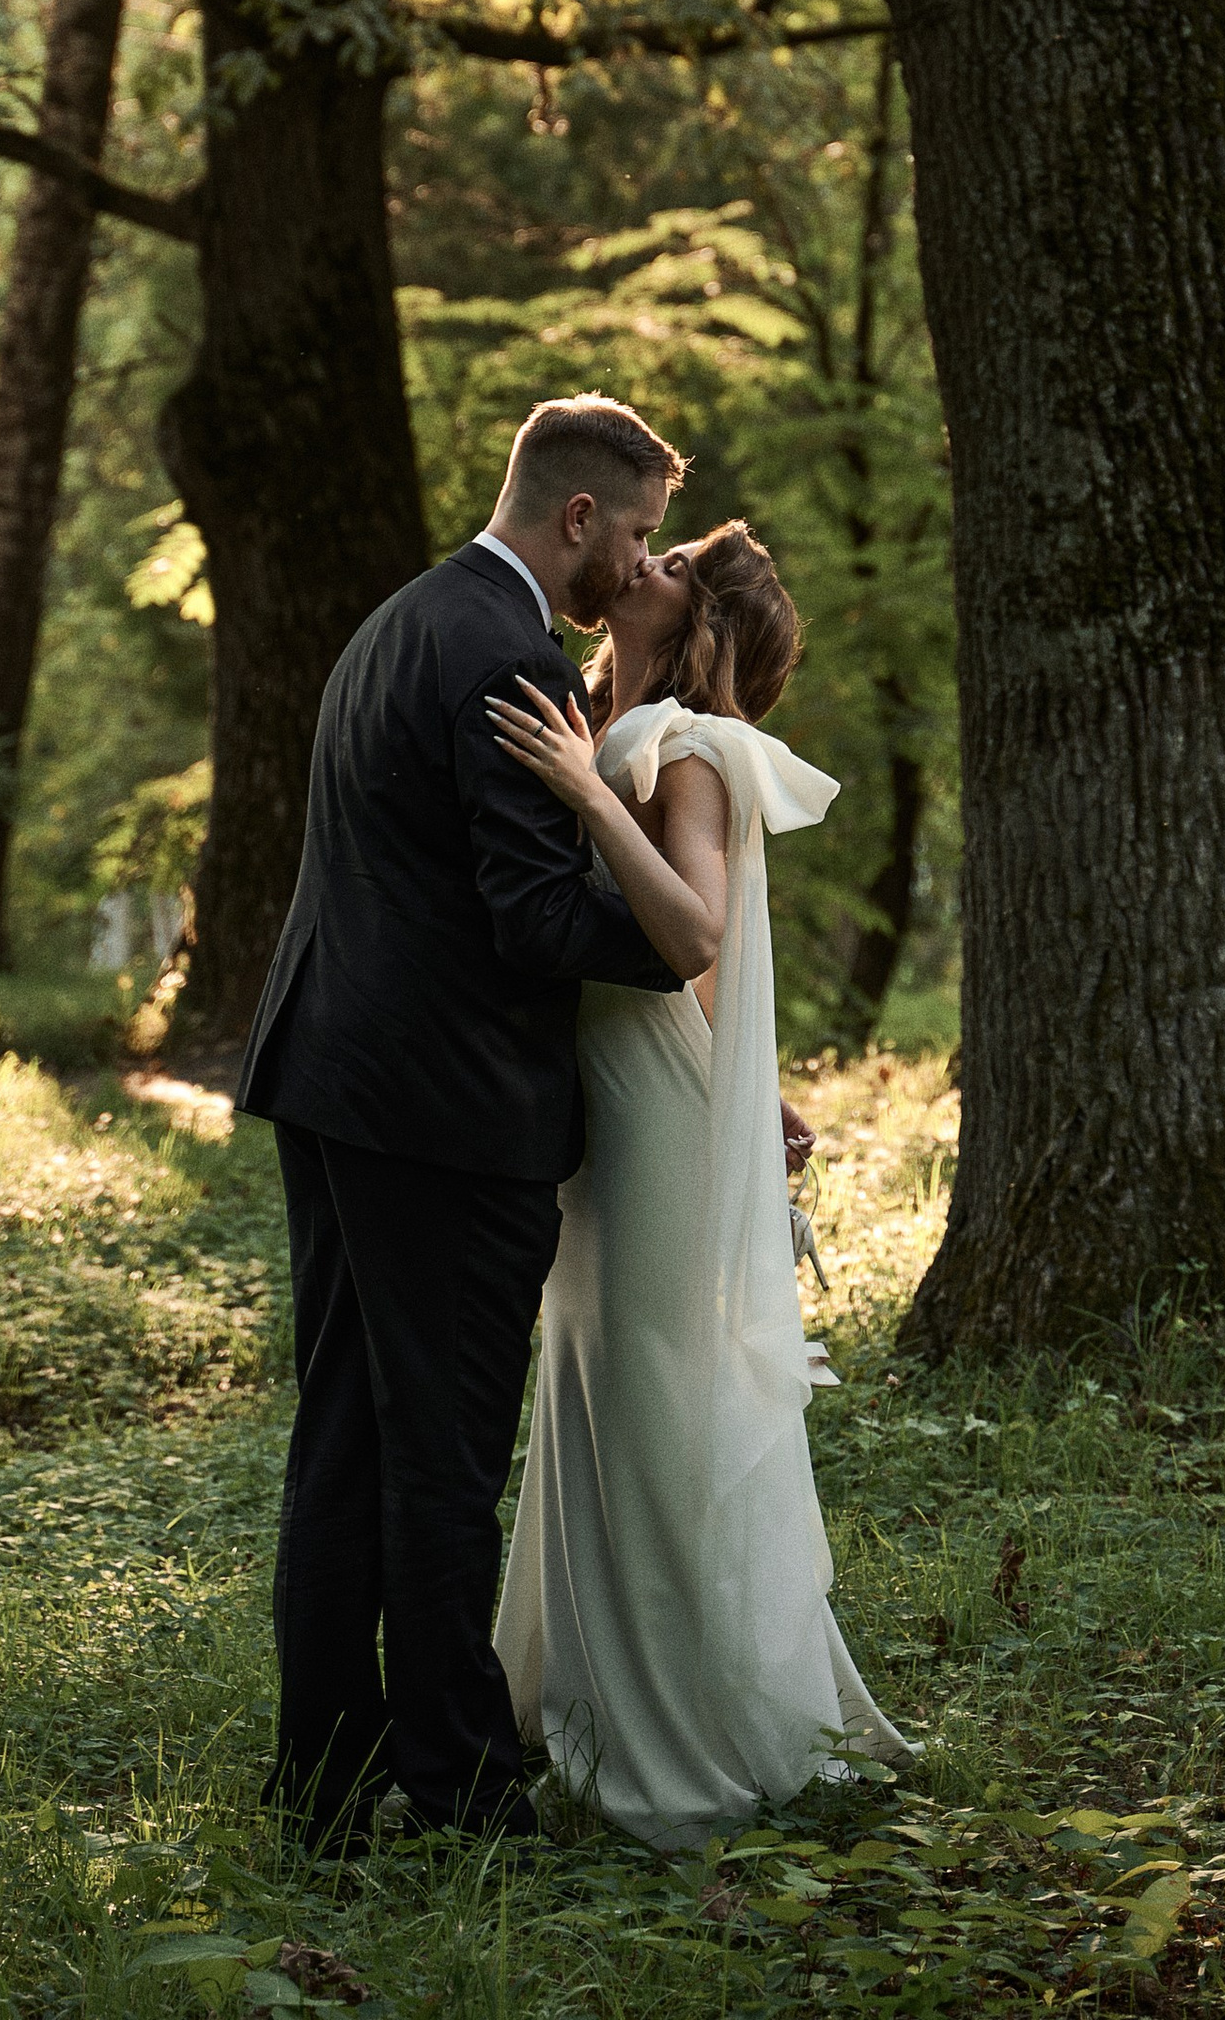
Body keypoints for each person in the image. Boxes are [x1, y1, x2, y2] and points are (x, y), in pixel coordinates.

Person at [233, 393, 689, 1848]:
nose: (636, 562)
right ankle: (463, 1790)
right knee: (437, 1456)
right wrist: (690, 964)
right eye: (634, 533)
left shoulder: (403, 622)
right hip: (440, 1115)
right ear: (576, 518)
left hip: (335, 1082)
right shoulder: (506, 656)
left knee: (353, 1437)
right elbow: (533, 914)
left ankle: (323, 1776)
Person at [487, 521, 913, 1849]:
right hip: (617, 1096)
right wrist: (752, 1079)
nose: (646, 561)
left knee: (658, 1389)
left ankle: (686, 1728)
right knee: (592, 1380)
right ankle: (580, 1687)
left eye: (671, 562)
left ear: (701, 622)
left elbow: (694, 929)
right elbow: (704, 968)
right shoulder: (617, 715)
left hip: (645, 1116)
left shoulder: (686, 747)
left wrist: (586, 788)